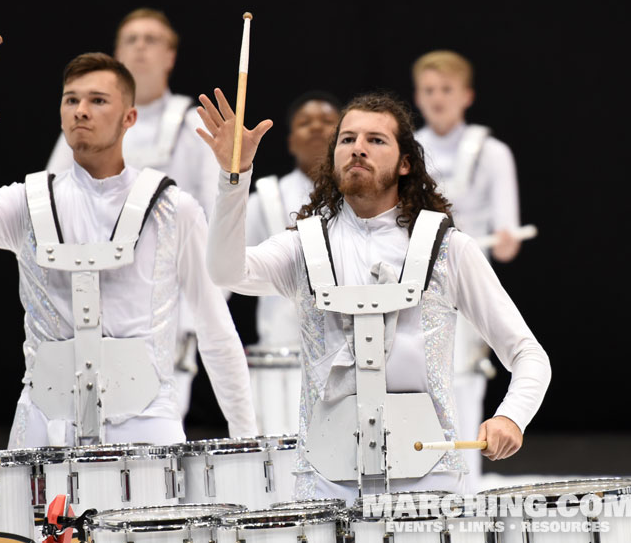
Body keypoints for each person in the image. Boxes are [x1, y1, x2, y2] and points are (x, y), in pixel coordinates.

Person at [197, 88, 551, 501]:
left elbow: (529, 354)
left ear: (405, 163)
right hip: (324, 484)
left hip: (429, 482)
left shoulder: (448, 248)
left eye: (375, 140)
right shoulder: (304, 246)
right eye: (347, 139)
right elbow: (225, 271)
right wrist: (233, 177)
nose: (358, 149)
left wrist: (511, 416)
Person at [0, 52, 257, 448]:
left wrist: (247, 440)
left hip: (146, 426)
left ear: (129, 118)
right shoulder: (29, 201)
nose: (81, 111)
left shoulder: (174, 209)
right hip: (43, 425)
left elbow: (216, 330)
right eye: (71, 100)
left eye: (98, 100)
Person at [46, 9, 221, 420]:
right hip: (86, 300)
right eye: (131, 39)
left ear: (171, 56)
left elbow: (215, 218)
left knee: (150, 426)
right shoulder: (81, 123)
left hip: (165, 302)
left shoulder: (194, 123)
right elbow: (49, 209)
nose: (140, 47)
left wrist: (198, 311)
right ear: (116, 53)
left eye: (152, 39)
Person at [413, 50, 523, 491]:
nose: (437, 99)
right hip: (420, 284)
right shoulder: (409, 151)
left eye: (446, 90)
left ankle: (466, 488)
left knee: (463, 383)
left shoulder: (493, 152)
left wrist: (507, 238)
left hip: (471, 283)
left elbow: (507, 229)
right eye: (428, 90)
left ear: (467, 95)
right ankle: (426, 485)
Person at [245, 91, 341, 350]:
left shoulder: (364, 196)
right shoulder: (265, 198)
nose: (317, 127)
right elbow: (233, 268)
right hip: (282, 347)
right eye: (304, 122)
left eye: (327, 120)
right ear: (290, 142)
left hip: (349, 345)